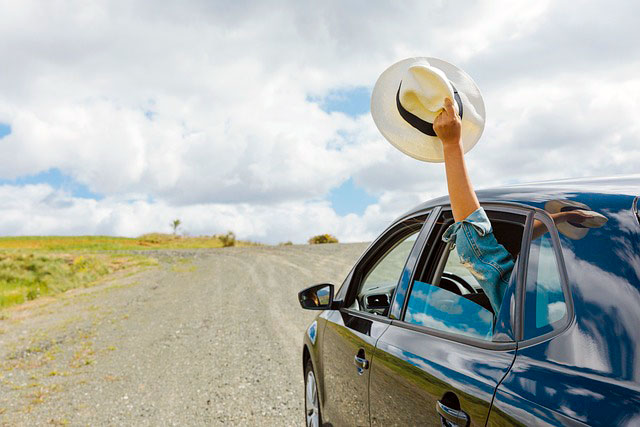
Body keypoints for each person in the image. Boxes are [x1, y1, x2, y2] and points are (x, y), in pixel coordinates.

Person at [433, 98, 592, 314]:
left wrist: (451, 145)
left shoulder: (525, 307)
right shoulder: (592, 298)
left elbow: (475, 246)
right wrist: (560, 218)